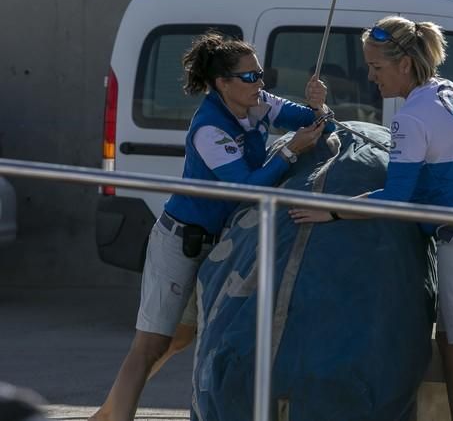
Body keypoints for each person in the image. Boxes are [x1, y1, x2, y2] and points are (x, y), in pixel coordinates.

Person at [90, 31, 330, 421]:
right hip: (180, 240)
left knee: (181, 338)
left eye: (261, 74)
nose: (260, 84)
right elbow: (247, 188)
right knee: (150, 344)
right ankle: (113, 417)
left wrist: (320, 106)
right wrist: (288, 151)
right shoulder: (209, 129)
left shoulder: (257, 103)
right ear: (222, 83)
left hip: (220, 243)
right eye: (249, 77)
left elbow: (314, 124)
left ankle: (108, 412)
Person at [290, 16, 453, 421]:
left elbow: (396, 198)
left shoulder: (411, 117)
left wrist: (333, 210)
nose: (370, 76)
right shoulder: (446, 90)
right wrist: (323, 111)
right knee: (452, 348)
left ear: (405, 66)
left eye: (376, 67)